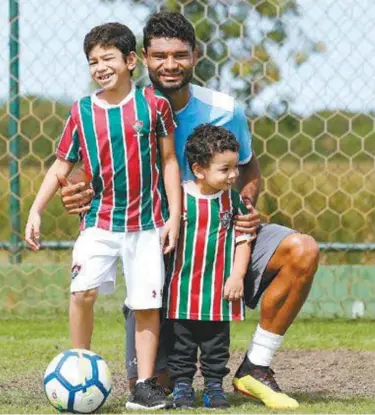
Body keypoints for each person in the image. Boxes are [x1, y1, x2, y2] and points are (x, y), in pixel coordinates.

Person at [59, 12, 320, 411]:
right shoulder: (124, 108)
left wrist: (245, 208)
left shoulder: (224, 108)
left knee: (302, 250)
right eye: (159, 56)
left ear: (196, 56)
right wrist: (76, 191)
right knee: (151, 385)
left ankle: (256, 367)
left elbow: (247, 165)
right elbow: (85, 168)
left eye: (180, 55)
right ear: (142, 58)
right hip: (157, 244)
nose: (169, 65)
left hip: (221, 235)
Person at [25, 22, 181, 410]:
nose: (100, 67)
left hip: (147, 225)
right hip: (98, 223)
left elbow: (169, 161)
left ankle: (144, 386)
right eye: (92, 61)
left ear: (131, 61)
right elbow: (61, 165)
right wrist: (36, 209)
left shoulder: (153, 106)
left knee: (146, 305)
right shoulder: (81, 112)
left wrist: (174, 217)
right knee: (82, 293)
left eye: (107, 58)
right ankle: (78, 366)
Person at [165, 124, 252, 409]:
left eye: (235, 167)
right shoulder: (178, 198)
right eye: (224, 169)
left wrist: (237, 275)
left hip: (218, 291)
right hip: (182, 290)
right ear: (199, 169)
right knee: (182, 346)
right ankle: (182, 386)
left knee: (216, 346)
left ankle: (214, 387)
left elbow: (243, 239)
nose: (233, 175)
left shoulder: (233, 201)